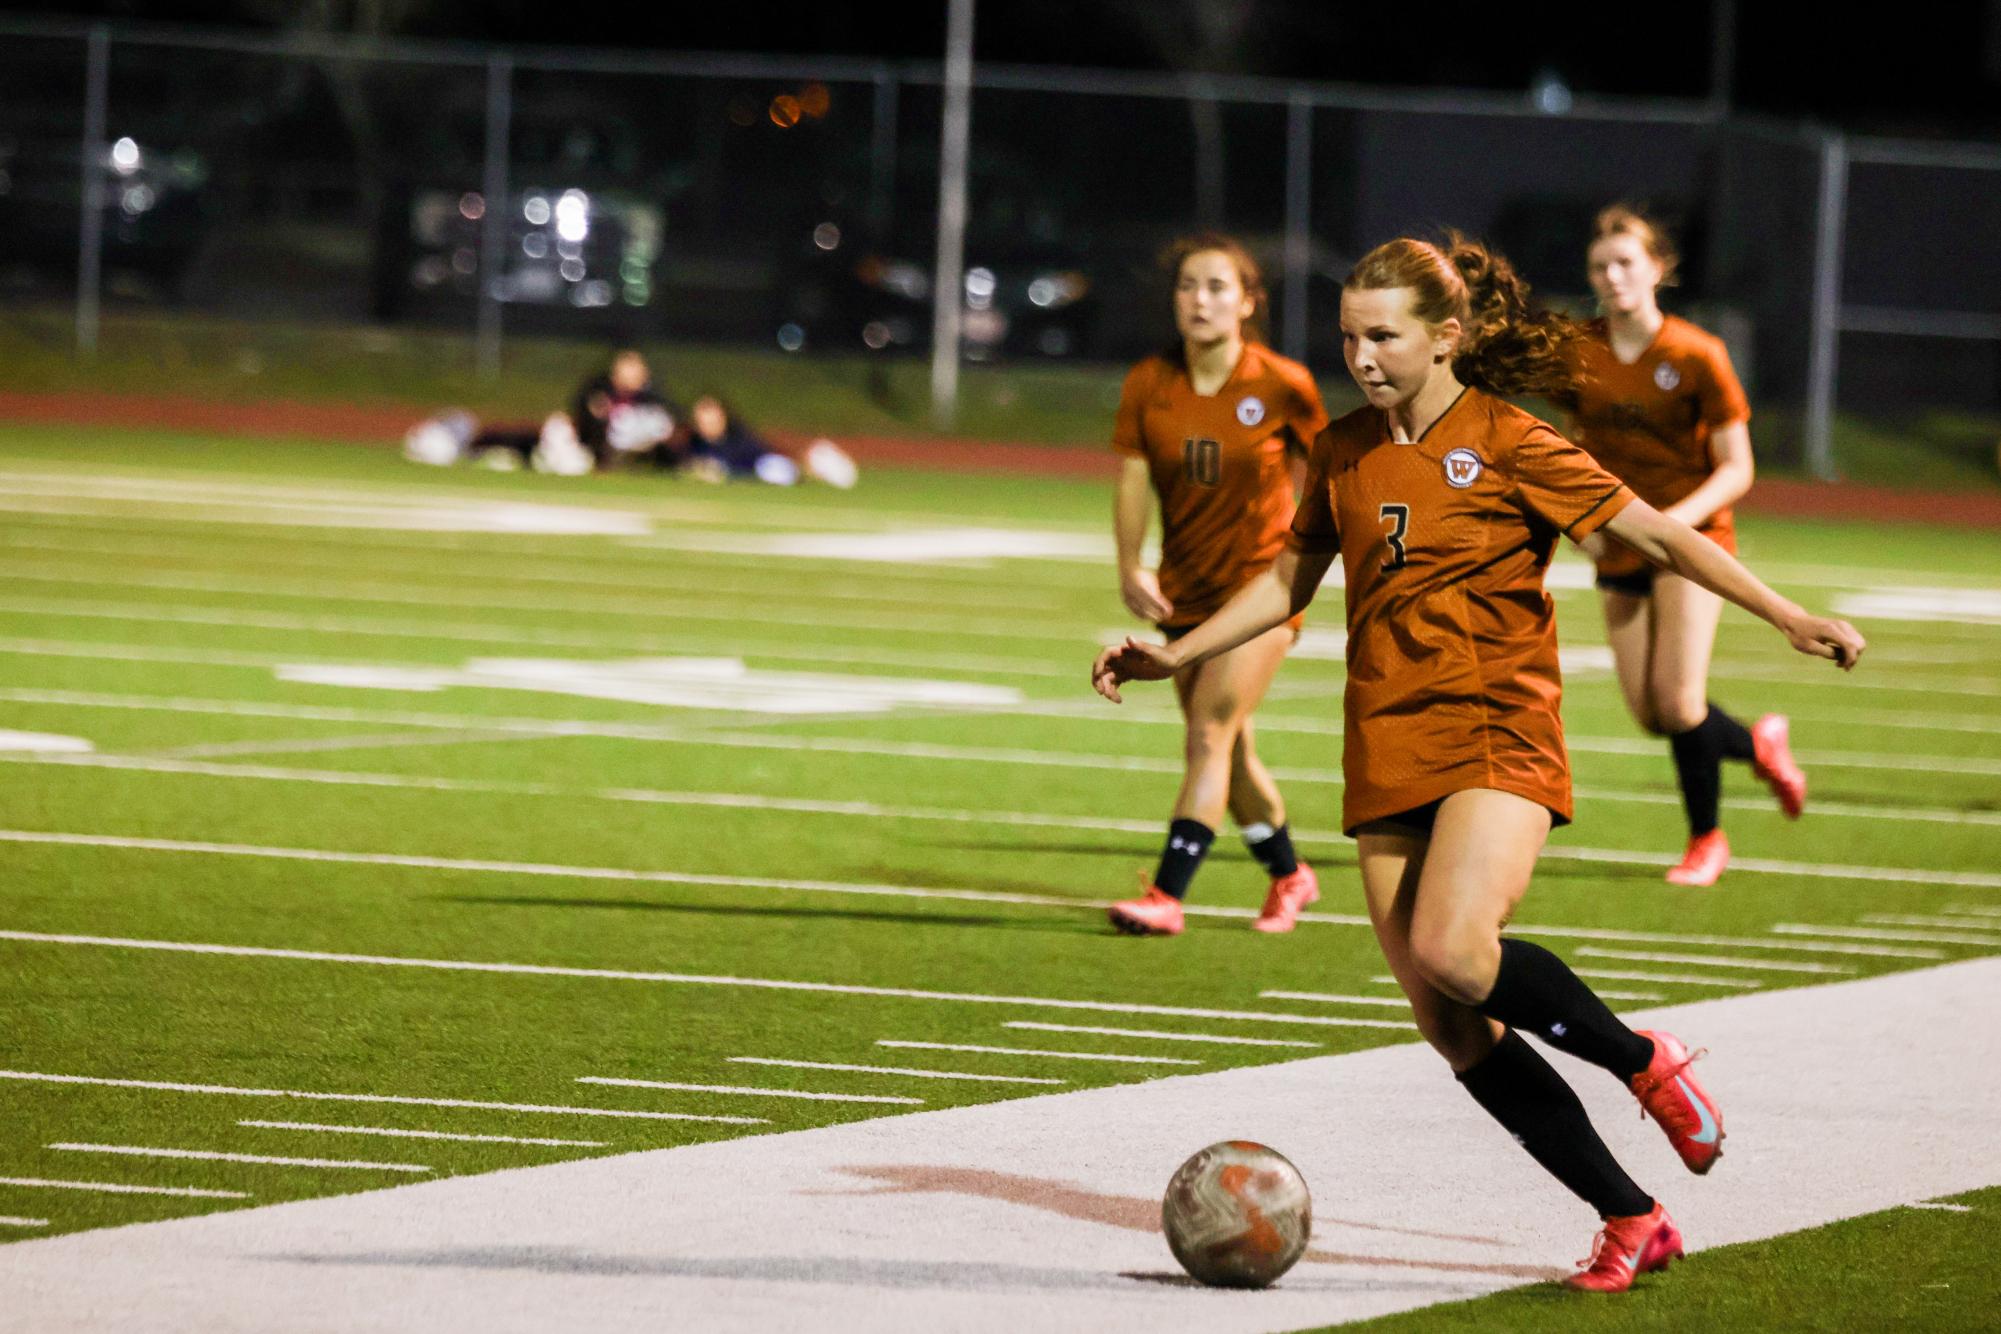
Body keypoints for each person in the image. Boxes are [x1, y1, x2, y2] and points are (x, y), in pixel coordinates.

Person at [1092, 234, 1864, 1293]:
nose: (1360, 356)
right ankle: (1632, 1214)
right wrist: (1174, 648)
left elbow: (1657, 534)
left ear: (1446, 336)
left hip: (1498, 723)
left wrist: (1784, 614)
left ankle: (1644, 1060)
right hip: (1386, 737)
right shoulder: (1346, 445)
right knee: (1450, 1017)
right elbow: (1290, 578)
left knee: (1457, 950)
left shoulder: (1512, 440)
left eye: (1383, 335)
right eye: (1349, 336)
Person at [1568, 205, 1804, 886]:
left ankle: (1705, 840)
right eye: (1599, 266)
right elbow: (1573, 445)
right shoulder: (1578, 351)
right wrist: (1581, 523)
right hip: (1616, 544)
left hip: (1691, 542)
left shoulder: (1697, 354)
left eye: (1624, 264)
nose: (1611, 277)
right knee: (1650, 716)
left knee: (1676, 702)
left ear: (1657, 270)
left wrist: (1671, 524)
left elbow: (1736, 466)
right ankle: (1757, 743)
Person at [1103, 233, 1330, 937]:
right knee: (1230, 749)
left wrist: (1311, 560)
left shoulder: (1281, 383)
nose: (1199, 300)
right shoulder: (1149, 382)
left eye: (1216, 287)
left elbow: (1331, 473)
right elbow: (1133, 479)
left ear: (1247, 301)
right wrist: (1130, 564)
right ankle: (1290, 875)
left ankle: (1167, 894)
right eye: (1187, 287)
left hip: (1260, 591)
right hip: (1185, 591)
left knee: (1207, 733)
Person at [401, 348, 674, 476]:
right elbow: (582, 415)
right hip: (576, 446)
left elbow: (663, 429)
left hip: (596, 456)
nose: (627, 375)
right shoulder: (599, 388)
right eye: (623, 368)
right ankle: (460, 440)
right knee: (524, 440)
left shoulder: (652, 400)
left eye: (633, 369)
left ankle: (472, 445)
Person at [674, 394, 859, 489]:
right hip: (755, 468)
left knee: (778, 471)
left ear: (722, 417)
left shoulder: (738, 439)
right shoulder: (695, 442)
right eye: (703, 420)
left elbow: (746, 462)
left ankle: (819, 462)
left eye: (712, 419)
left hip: (762, 465)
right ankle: (816, 463)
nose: (707, 425)